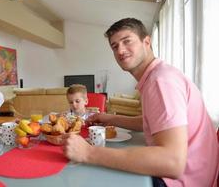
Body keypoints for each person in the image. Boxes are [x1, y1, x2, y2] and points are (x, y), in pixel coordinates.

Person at [63, 18, 219, 187]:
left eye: (127, 41)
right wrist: (108, 118)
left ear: (146, 41)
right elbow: (153, 122)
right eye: (115, 46)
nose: (120, 50)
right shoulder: (159, 75)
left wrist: (88, 152)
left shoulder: (160, 82)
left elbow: (172, 162)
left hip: (183, 181)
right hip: (199, 175)